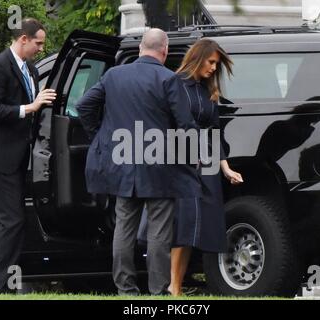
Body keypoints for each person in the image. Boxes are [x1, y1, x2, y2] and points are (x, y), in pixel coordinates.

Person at [76, 28, 201, 295]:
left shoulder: (113, 75)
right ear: (164, 51)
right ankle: (158, 290)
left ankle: (125, 289)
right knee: (159, 230)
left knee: (124, 227)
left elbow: (84, 105)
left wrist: (100, 136)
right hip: (159, 164)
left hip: (121, 162)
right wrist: (193, 157)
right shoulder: (168, 79)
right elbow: (185, 124)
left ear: (141, 48)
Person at [0, 18, 56, 293]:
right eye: (38, 43)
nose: (41, 49)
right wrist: (30, 107)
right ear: (23, 39)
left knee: (0, 221)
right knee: (13, 220)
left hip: (19, 157)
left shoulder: (31, 70)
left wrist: (39, 102)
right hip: (0, 157)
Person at [168, 38, 244, 296]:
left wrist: (225, 167)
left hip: (206, 162)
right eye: (211, 62)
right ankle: (173, 286)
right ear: (198, 57)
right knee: (183, 222)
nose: (214, 68)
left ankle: (175, 285)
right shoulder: (174, 84)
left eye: (217, 64)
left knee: (196, 226)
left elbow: (215, 132)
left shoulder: (208, 91)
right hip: (178, 161)